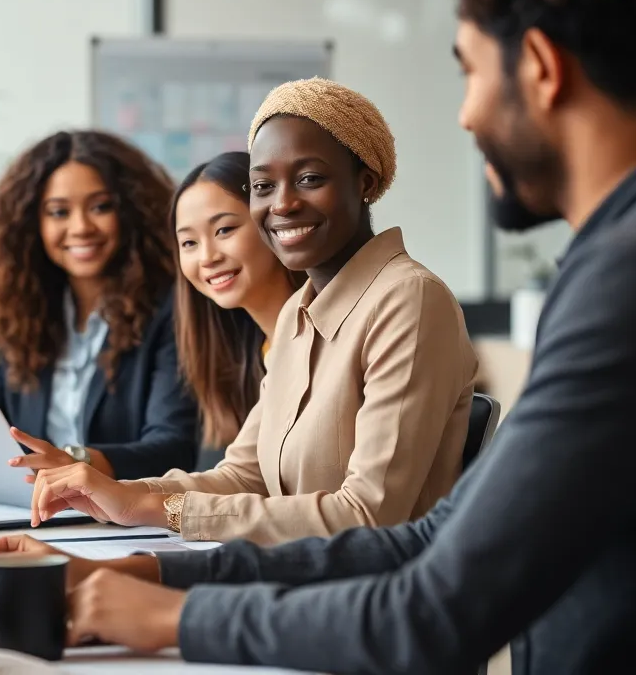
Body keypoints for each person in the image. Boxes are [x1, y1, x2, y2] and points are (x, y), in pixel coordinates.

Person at [0, 0, 636, 674]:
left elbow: (431, 599)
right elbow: (420, 535)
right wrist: (153, 557)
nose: (465, 113)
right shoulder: (602, 265)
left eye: (469, 69)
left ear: (537, 64)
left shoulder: (616, 284)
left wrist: (172, 615)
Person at [26, 80, 477, 546]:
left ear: (364, 183)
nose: (282, 203)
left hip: (368, 599)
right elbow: (243, 475)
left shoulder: (410, 300)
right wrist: (120, 494)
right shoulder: (297, 315)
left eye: (309, 179)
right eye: (263, 185)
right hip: (291, 580)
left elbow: (369, 514)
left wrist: (156, 507)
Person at [0, 130, 197, 480]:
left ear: (132, 212)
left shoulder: (172, 311)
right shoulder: (23, 312)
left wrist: (73, 462)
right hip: (31, 509)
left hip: (121, 517)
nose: (81, 227)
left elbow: (172, 447)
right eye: (59, 212)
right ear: (32, 224)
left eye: (101, 207)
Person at [171, 152, 306, 449]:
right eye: (189, 243)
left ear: (274, 223)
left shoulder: (326, 341)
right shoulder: (251, 353)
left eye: (224, 230)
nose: (207, 257)